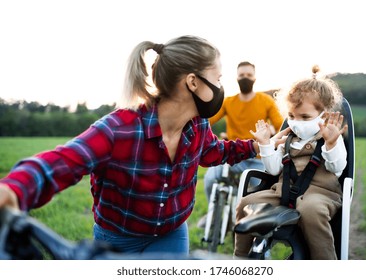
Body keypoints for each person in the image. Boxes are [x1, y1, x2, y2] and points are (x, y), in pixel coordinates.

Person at [0, 35, 261, 257]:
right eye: (217, 78)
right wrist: (12, 189)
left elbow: (215, 151)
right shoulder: (118, 128)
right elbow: (63, 161)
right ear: (193, 82)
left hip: (172, 235)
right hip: (116, 240)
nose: (220, 87)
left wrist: (255, 148)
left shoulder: (199, 126)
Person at [234, 65, 348, 259]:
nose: (296, 122)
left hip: (320, 195)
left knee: (311, 211)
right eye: (291, 116)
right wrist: (266, 145)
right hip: (282, 192)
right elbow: (272, 169)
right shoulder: (288, 140)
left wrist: (331, 143)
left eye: (305, 117)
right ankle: (240, 256)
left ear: (324, 115)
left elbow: (336, 168)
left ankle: (325, 262)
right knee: (246, 203)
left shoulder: (331, 138)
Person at [199, 61, 284, 227]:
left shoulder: (265, 101)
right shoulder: (229, 102)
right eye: (242, 75)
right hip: (234, 156)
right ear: (236, 78)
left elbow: (280, 124)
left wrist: (272, 136)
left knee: (258, 196)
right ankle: (213, 216)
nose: (245, 78)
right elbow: (207, 120)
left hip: (258, 158)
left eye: (249, 75)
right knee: (210, 178)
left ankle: (255, 225)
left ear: (255, 78)